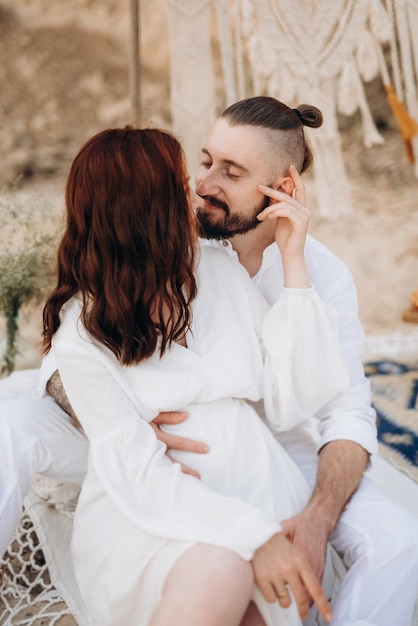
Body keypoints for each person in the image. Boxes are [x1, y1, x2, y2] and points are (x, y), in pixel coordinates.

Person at [1, 97, 418, 625]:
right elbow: (101, 415)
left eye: (231, 171)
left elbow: (319, 402)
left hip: (260, 472)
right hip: (152, 485)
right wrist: (128, 421)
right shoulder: (125, 289)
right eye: (202, 164)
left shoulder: (277, 272)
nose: (202, 186)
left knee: (398, 543)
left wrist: (292, 266)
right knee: (9, 425)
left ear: (281, 187)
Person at [39, 125, 345, 625]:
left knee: (267, 601)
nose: (198, 193)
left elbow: (292, 398)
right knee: (222, 572)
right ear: (147, 211)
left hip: (259, 491)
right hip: (155, 522)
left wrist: (292, 260)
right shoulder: (82, 332)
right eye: (182, 186)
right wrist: (253, 536)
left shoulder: (218, 271)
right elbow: (134, 471)